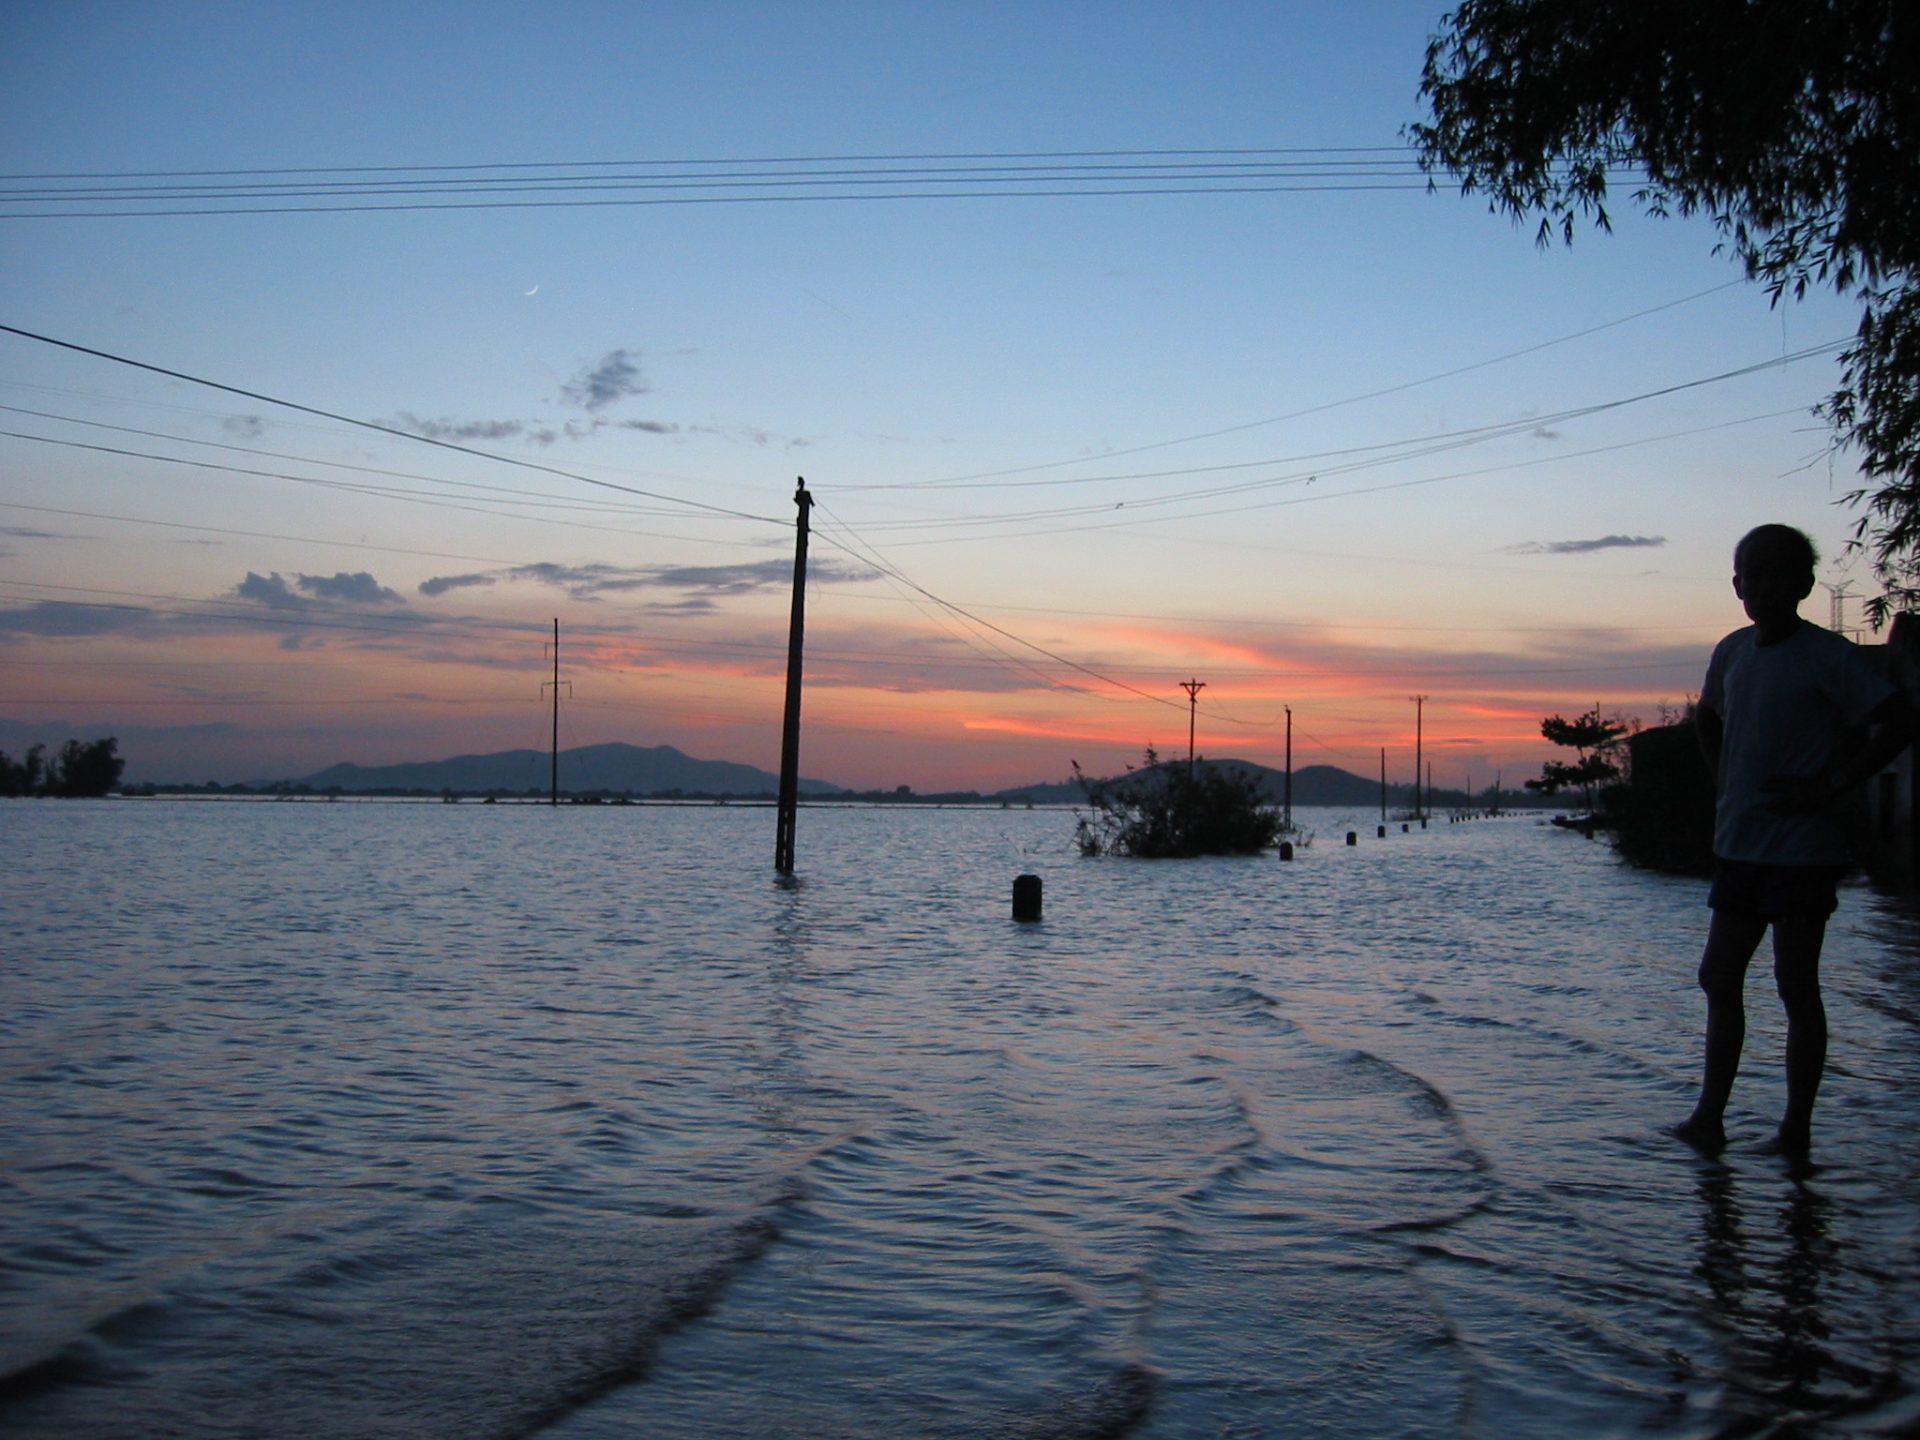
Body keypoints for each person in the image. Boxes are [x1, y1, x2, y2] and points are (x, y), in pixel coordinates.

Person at [1674, 524, 1917, 1158]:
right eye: (1751, 575)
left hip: (1804, 850)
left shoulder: (1828, 656)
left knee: (1794, 984)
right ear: (1737, 586)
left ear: (1804, 585)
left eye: (1777, 574)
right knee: (1719, 975)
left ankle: (1795, 1129)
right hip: (1740, 845)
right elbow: (1708, 715)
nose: (1762, 586)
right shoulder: (1732, 652)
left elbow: (1897, 719)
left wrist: (1833, 784)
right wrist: (1723, 776)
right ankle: (1710, 1116)